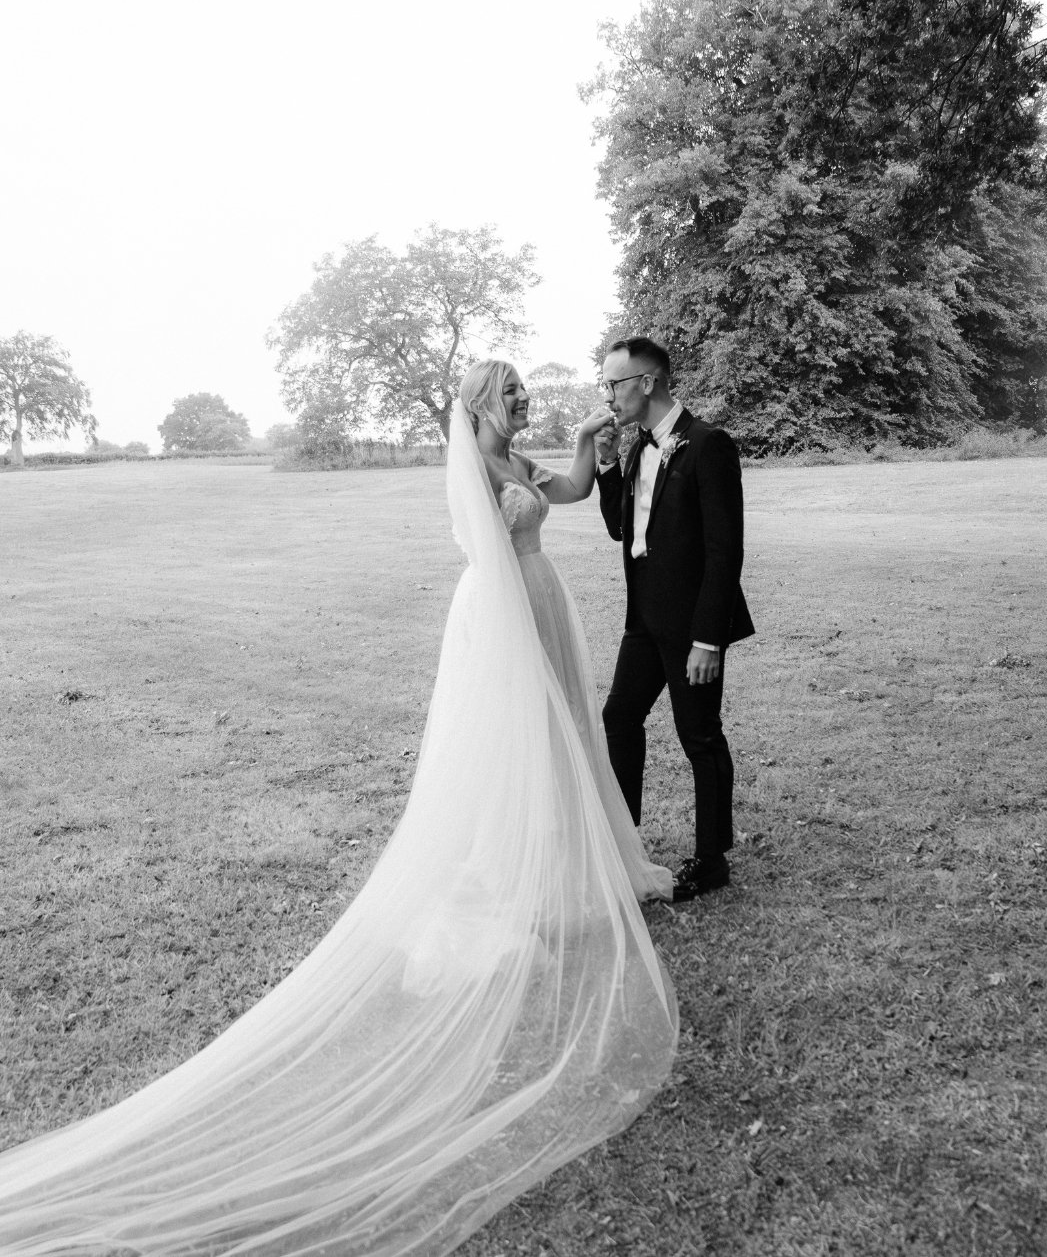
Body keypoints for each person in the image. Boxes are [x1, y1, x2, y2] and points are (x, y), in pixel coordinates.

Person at [0, 359, 677, 1257]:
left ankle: (557, 865)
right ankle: (495, 879)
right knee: (509, 748)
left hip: (544, 602)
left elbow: (576, 488)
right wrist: (512, 615)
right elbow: (483, 551)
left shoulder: (521, 464)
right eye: (510, 394)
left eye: (522, 393)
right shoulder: (474, 468)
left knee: (557, 747)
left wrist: (590, 442)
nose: (522, 402)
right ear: (479, 405)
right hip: (502, 612)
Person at [593, 336, 754, 902]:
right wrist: (610, 465)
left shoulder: (708, 445)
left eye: (612, 382)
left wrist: (709, 638)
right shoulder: (638, 446)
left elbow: (724, 551)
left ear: (646, 381)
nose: (607, 393)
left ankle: (712, 860)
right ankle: (623, 844)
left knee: (699, 736)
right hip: (643, 619)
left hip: (691, 628)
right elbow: (621, 527)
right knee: (618, 719)